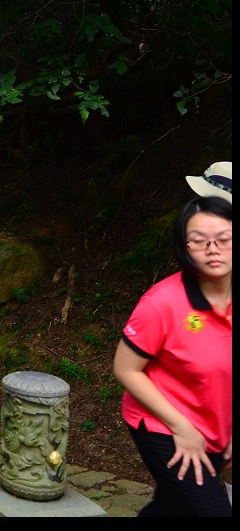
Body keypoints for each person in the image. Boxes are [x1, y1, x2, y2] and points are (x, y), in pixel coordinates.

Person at [112, 195, 232, 516]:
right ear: (185, 247)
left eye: (224, 239)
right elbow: (126, 368)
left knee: (172, 506)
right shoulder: (162, 302)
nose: (212, 249)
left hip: (215, 424)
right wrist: (182, 428)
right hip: (163, 423)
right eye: (198, 241)